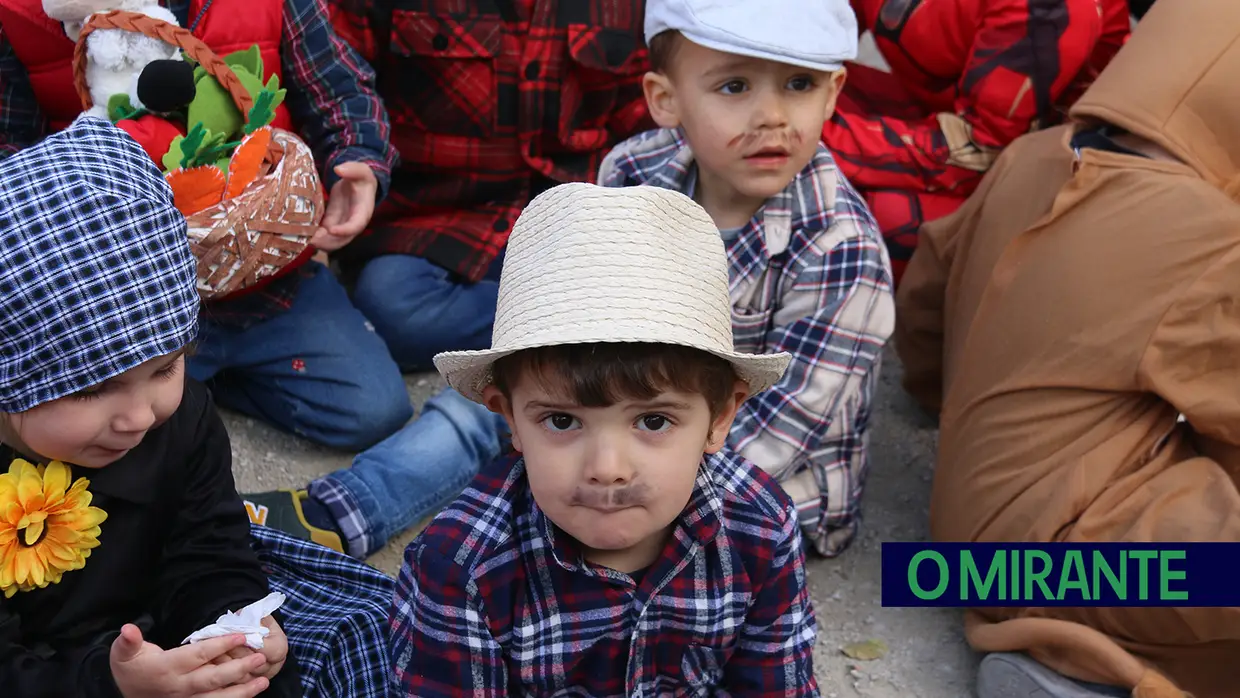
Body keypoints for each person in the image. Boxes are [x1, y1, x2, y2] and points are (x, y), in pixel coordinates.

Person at [894, 1, 1240, 696]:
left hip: (950, 563)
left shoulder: (1032, 154)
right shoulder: (1208, 236)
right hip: (1075, 574)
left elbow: (923, 313)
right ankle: (1092, 664)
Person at [0, 118, 394, 698]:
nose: (139, 415)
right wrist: (113, 686)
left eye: (165, 368)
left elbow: (208, 542)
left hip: (154, 636)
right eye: (88, 389)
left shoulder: (181, 420)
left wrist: (235, 623)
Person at [390, 183, 818, 696]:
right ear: (510, 419)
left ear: (720, 416)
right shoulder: (460, 567)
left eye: (654, 422)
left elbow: (776, 686)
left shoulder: (760, 527)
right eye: (563, 422)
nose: (608, 467)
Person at [598, 0, 894, 557]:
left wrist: (637, 495)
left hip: (775, 488)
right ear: (666, 100)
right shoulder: (631, 175)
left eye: (799, 83)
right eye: (735, 87)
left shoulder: (841, 251)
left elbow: (779, 430)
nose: (773, 117)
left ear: (833, 93)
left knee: (594, 569)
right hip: (642, 423)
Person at [325, 0, 653, 371]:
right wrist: (356, 160)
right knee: (393, 308)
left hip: (574, 214)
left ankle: (595, 324)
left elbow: (640, 118)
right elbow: (341, 84)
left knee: (653, 271)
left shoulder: (628, 7)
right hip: (436, 216)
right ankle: (604, 324)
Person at [824, 0, 1131, 284]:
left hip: (1029, 175)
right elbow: (817, 26)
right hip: (937, 117)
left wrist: (809, 136)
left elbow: (981, 150)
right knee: (797, 88)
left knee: (840, 205)